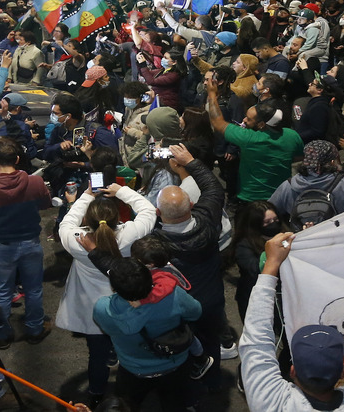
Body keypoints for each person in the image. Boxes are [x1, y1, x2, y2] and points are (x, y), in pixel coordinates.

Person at [239, 232, 344, 411]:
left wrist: (271, 263)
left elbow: (256, 339)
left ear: (292, 371)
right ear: (342, 374)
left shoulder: (269, 401)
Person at [57, 180, 156, 401]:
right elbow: (149, 210)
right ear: (117, 217)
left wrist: (86, 196)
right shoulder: (130, 233)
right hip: (126, 303)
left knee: (97, 354)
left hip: (92, 310)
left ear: (87, 220)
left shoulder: (77, 240)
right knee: (131, 346)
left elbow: (67, 222)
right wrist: (122, 191)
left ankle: (96, 392)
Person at [150, 144, 228, 390]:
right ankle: (213, 382)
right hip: (211, 300)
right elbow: (213, 188)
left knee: (180, 345)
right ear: (192, 205)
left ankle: (186, 390)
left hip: (177, 306)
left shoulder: (153, 243)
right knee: (211, 341)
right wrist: (191, 161)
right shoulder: (208, 221)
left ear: (157, 211)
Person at [0, 138, 53, 348]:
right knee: (33, 289)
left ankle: (2, 334)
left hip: (0, 247)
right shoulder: (35, 182)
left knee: (2, 292)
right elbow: (46, 204)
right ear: (16, 159)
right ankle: (35, 328)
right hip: (30, 244)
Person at [92, 258, 202, 410]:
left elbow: (107, 329)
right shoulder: (174, 295)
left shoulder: (103, 308)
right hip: (174, 364)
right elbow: (196, 312)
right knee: (174, 404)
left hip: (132, 369)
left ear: (114, 288)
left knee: (125, 406)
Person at [207, 81, 304, 204]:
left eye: (249, 119)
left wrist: (212, 93)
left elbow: (217, 122)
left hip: (251, 197)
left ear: (261, 124)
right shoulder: (292, 136)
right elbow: (298, 158)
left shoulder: (249, 138)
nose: (244, 120)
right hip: (281, 196)